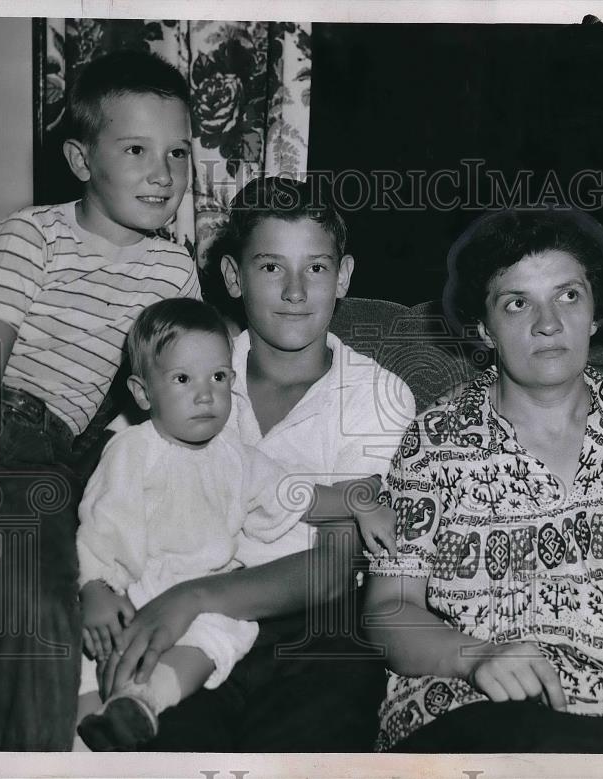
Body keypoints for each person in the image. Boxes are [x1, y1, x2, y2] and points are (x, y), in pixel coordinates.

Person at [365, 207, 603, 753]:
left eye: (568, 296)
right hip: (470, 711)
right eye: (517, 302)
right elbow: (388, 609)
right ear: (483, 329)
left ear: (595, 312)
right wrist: (475, 656)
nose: (548, 323)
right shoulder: (435, 440)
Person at [97, 177, 416, 751]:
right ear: (232, 276)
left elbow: (333, 567)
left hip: (310, 623)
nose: (295, 290)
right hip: (176, 604)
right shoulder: (188, 373)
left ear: (342, 276)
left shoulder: (378, 395)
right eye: (271, 267)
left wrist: (193, 597)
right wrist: (109, 584)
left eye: (316, 268)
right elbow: (120, 485)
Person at [0, 50, 199, 751]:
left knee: (33, 613)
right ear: (80, 158)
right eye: (136, 149)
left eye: (178, 152)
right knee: (31, 614)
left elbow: (162, 391)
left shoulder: (174, 268)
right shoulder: (33, 234)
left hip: (56, 449)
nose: (163, 173)